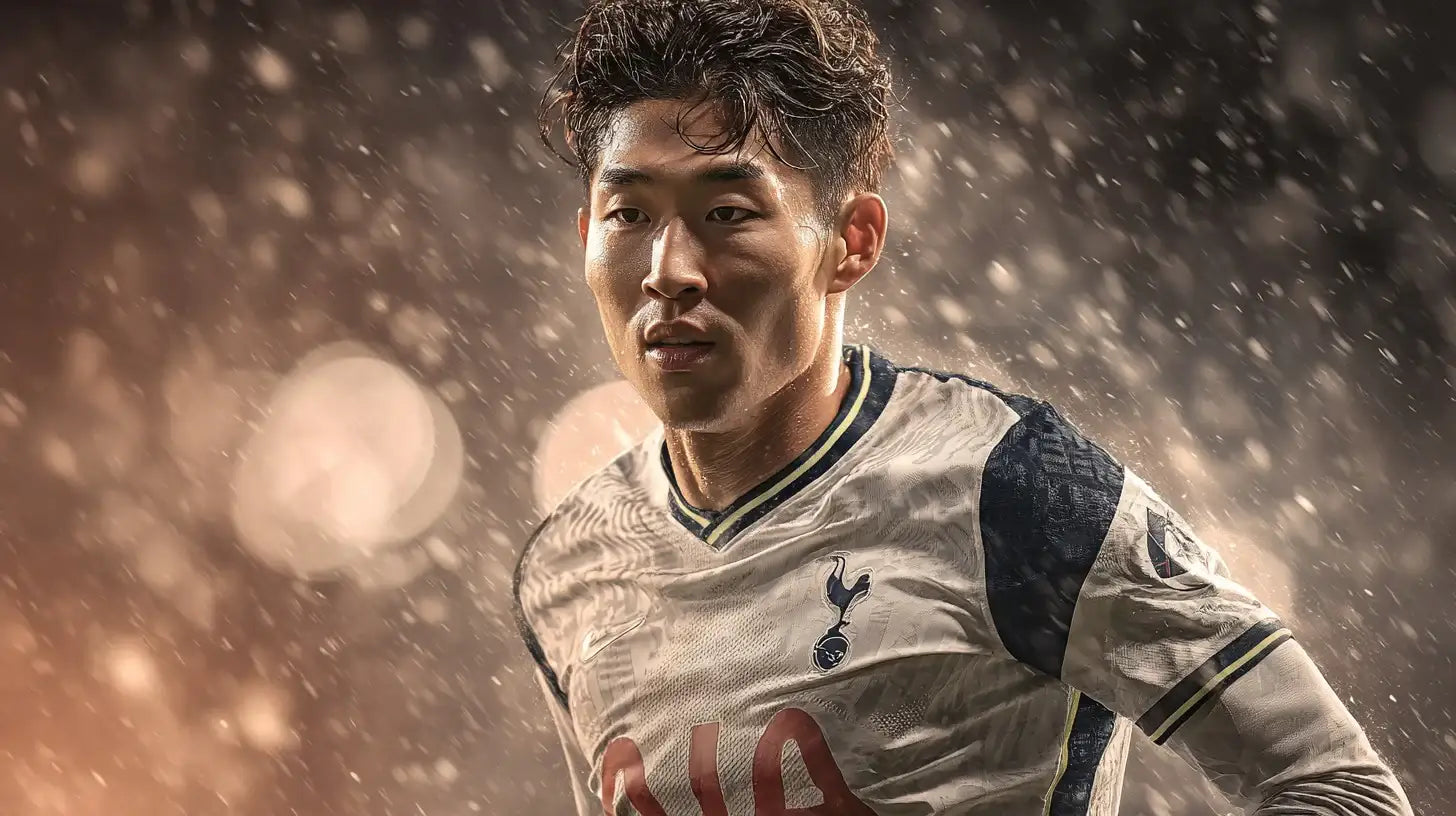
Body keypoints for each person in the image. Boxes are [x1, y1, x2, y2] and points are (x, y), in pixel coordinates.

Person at [512, 1, 1415, 813]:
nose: (670, 270)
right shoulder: (566, 570)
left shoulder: (1009, 489)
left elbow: (1339, 789)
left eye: (728, 213)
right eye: (630, 214)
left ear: (851, 242)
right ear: (587, 234)